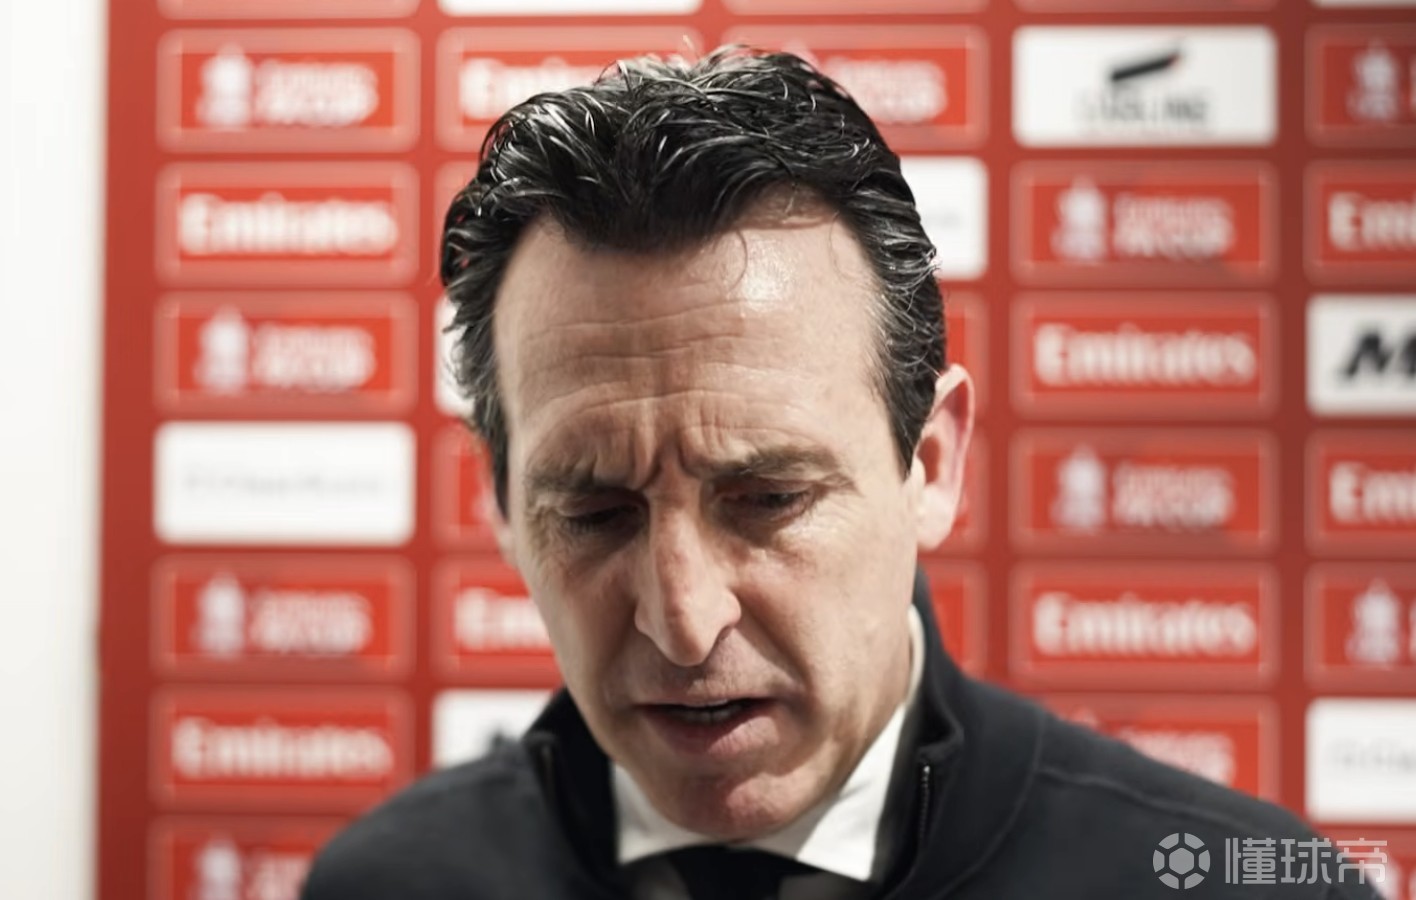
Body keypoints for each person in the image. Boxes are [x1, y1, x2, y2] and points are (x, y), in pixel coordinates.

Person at [302, 49, 1381, 900]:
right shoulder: (388, 885)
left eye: (768, 499)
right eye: (594, 512)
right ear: (500, 503)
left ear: (932, 463)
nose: (684, 620)